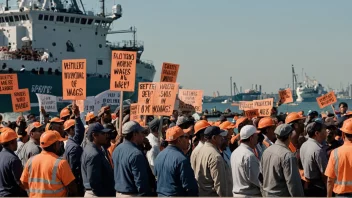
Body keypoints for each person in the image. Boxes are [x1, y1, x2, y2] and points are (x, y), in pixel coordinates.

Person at [20, 130, 78, 197]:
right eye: (59, 143)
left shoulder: (30, 161)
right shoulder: (61, 163)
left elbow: (23, 183)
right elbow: (72, 187)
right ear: (55, 145)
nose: (60, 145)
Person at [261, 124, 304, 197]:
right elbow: (293, 184)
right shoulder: (288, 155)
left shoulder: (266, 151)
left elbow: (261, 175)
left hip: (266, 194)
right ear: (290, 136)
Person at [154, 126, 198, 196]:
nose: (188, 140)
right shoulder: (181, 159)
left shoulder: (159, 155)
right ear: (179, 140)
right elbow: (190, 186)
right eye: (185, 137)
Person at [113, 121, 152, 196]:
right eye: (141, 132)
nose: (143, 135)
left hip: (118, 193)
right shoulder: (136, 154)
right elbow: (141, 182)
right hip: (131, 194)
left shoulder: (117, 149)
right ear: (134, 134)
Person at [81, 123, 115, 197]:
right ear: (94, 135)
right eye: (103, 133)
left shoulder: (92, 149)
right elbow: (94, 183)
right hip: (95, 194)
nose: (106, 136)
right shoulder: (94, 154)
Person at [194, 126, 229, 197]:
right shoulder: (215, 156)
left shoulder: (200, 150)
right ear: (214, 138)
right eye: (220, 136)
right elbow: (220, 185)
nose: (222, 138)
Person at [231, 125, 262, 197]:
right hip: (249, 195)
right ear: (251, 138)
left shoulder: (235, 152)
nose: (257, 137)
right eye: (256, 135)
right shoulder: (249, 156)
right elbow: (258, 181)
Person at [325, 118, 352, 197]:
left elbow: (330, 180)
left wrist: (329, 196)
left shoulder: (335, 153)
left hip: (341, 194)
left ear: (343, 134)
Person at [300, 121, 328, 196]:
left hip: (307, 184)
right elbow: (324, 174)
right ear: (317, 133)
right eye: (324, 131)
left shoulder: (304, 145)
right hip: (318, 187)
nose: (326, 133)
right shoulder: (318, 150)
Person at [63, 104, 85, 196]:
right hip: (76, 185)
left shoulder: (70, 142)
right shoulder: (74, 147)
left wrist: (77, 117)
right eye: (74, 128)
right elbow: (74, 170)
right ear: (71, 130)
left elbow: (80, 133)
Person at [0, 127, 27, 197]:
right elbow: (20, 182)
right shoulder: (13, 159)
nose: (17, 143)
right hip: (11, 194)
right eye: (15, 140)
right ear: (11, 142)